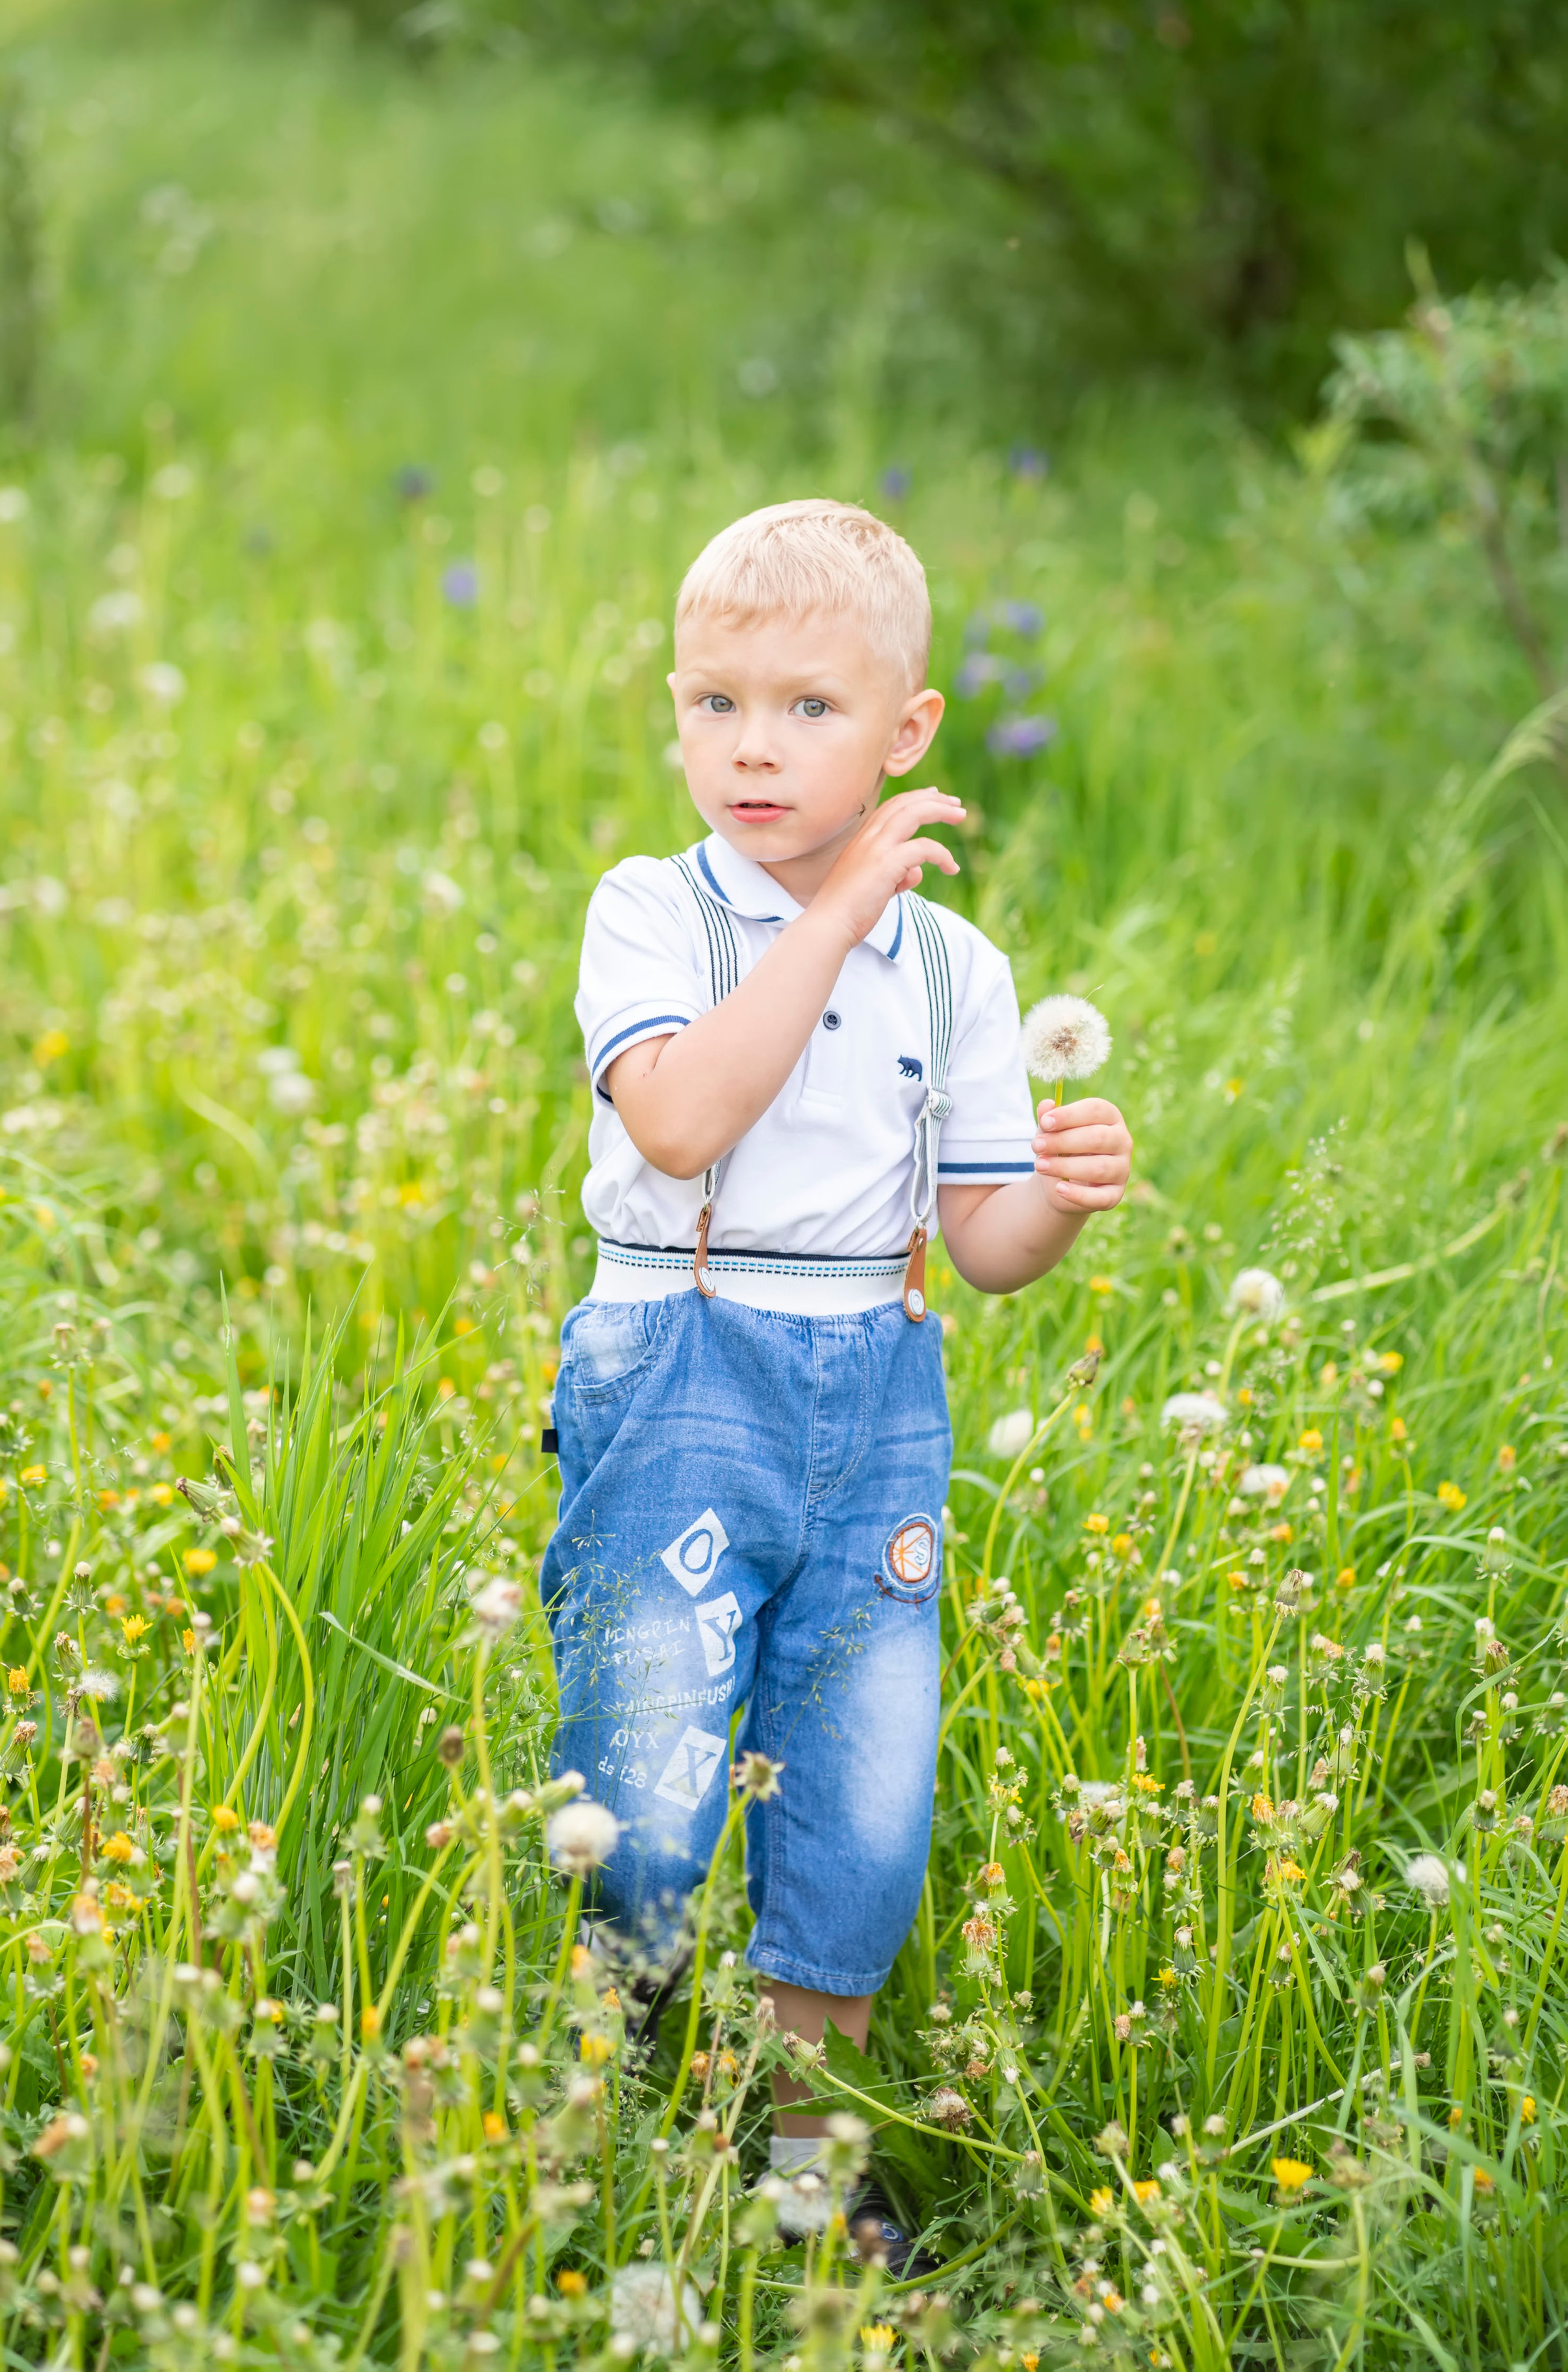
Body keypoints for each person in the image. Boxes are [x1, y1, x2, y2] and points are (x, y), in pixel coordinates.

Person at [540, 497, 1133, 2252]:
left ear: (908, 733)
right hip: (681, 1361)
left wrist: (1059, 1202)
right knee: (643, 1796)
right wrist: (840, 903)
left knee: (861, 1792)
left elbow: (983, 1241)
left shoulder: (956, 968)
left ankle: (814, 2176)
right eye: (716, 703)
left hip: (876, 1385)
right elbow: (683, 1114)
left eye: (809, 709)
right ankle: (606, 2097)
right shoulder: (653, 912)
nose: (755, 748)